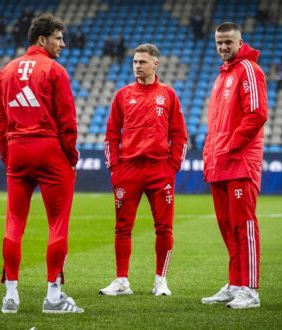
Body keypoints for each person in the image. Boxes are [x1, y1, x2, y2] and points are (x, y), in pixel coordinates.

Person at [0, 14, 83, 314]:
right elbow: (67, 120)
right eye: (59, 38)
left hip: (17, 149)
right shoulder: (54, 70)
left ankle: (10, 297)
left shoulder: (6, 70)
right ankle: (54, 297)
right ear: (42, 39)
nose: (63, 44)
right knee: (58, 223)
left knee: (13, 223)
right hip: (49, 149)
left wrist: (9, 156)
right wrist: (70, 156)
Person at [100, 44, 187, 296]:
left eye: (143, 62)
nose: (138, 65)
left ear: (155, 64)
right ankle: (121, 280)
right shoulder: (123, 95)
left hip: (160, 170)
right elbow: (111, 133)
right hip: (128, 170)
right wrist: (115, 166)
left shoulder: (168, 94)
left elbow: (179, 135)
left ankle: (161, 280)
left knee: (164, 227)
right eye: (135, 61)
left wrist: (172, 167)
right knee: (122, 227)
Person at [202, 22, 268, 309]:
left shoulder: (249, 70)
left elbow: (256, 114)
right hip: (219, 164)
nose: (223, 48)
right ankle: (236, 282)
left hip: (240, 162)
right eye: (219, 43)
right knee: (228, 228)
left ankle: (250, 290)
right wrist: (211, 152)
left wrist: (230, 146)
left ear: (241, 42)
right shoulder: (222, 76)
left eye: (228, 42)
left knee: (244, 226)